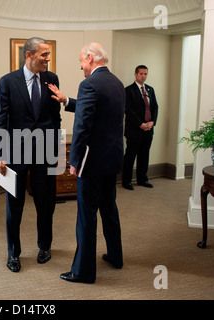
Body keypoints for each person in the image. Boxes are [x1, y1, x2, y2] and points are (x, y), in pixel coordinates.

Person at [49, 43, 125, 283]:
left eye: (81, 61)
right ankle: (115, 256)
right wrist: (67, 100)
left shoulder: (89, 84)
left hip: (91, 163)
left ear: (90, 58)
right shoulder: (117, 83)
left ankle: (82, 271)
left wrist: (74, 160)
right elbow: (98, 112)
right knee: (109, 209)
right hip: (112, 158)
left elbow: (82, 127)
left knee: (86, 215)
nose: (80, 65)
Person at [0, 37, 61, 273]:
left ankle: (45, 246)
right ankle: (13, 253)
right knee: (15, 205)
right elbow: (0, 119)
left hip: (45, 151)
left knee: (46, 202)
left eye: (48, 54)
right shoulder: (7, 82)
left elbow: (55, 116)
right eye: (44, 54)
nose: (47, 59)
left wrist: (56, 148)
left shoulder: (51, 79)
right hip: (16, 152)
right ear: (29, 55)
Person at [122, 65, 159, 190]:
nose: (143, 76)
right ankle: (126, 181)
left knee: (144, 155)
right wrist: (140, 124)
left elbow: (155, 107)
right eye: (141, 73)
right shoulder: (128, 90)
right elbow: (128, 110)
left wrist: (152, 122)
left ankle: (142, 179)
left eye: (145, 74)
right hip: (134, 129)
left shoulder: (150, 90)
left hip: (148, 129)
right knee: (130, 155)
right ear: (136, 74)